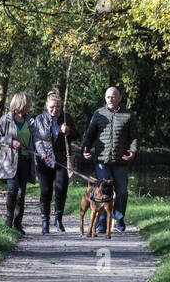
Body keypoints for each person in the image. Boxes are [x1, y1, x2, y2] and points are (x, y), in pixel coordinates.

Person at [80, 86, 137, 233]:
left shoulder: (128, 115)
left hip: (120, 160)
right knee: (103, 192)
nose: (110, 99)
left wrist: (133, 150)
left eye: (113, 96)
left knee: (122, 192)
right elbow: (90, 134)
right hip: (102, 160)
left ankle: (119, 217)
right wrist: (85, 148)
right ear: (105, 98)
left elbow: (134, 136)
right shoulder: (98, 113)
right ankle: (101, 224)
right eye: (108, 97)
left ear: (119, 98)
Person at [33, 90, 77, 234]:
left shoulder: (66, 118)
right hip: (43, 160)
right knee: (45, 191)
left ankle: (58, 220)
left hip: (61, 160)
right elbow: (36, 138)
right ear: (46, 105)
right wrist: (41, 152)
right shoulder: (39, 119)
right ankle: (45, 222)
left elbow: (78, 134)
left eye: (57, 107)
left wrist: (68, 131)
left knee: (61, 189)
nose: (54, 110)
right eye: (52, 107)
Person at [0, 91, 36, 234]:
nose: (30, 107)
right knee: (13, 189)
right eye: (28, 104)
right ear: (21, 104)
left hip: (25, 161)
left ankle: (18, 224)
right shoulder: (6, 119)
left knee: (21, 193)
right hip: (9, 162)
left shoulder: (30, 121)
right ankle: (8, 220)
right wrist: (11, 142)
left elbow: (35, 139)